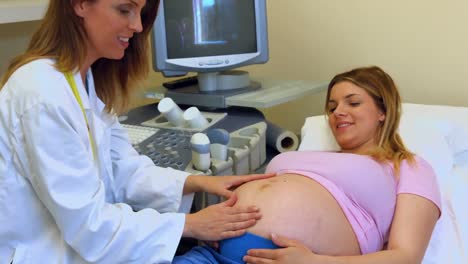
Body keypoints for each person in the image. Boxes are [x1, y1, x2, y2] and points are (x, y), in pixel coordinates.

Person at [0, 1, 273, 263]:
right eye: (124, 10)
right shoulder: (41, 92)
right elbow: (89, 227)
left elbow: (125, 169)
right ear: (80, 4)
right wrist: (191, 225)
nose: (138, 26)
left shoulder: (84, 81)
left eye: (141, 12)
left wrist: (196, 182)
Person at [173, 66, 441, 264]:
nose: (338, 112)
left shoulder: (407, 165)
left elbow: (406, 257)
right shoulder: (305, 155)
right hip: (211, 254)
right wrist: (217, 226)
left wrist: (313, 262)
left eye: (354, 102)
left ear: (383, 111)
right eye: (332, 106)